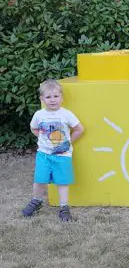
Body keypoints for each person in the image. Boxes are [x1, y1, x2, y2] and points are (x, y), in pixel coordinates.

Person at [22, 79, 84, 221]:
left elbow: (79, 129)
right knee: (40, 180)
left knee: (62, 181)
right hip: (44, 154)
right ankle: (36, 201)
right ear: (42, 99)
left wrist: (68, 143)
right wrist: (43, 139)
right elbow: (33, 128)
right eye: (48, 97)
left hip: (63, 155)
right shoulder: (39, 115)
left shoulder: (66, 114)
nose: (52, 100)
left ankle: (64, 207)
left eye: (55, 96)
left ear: (61, 98)